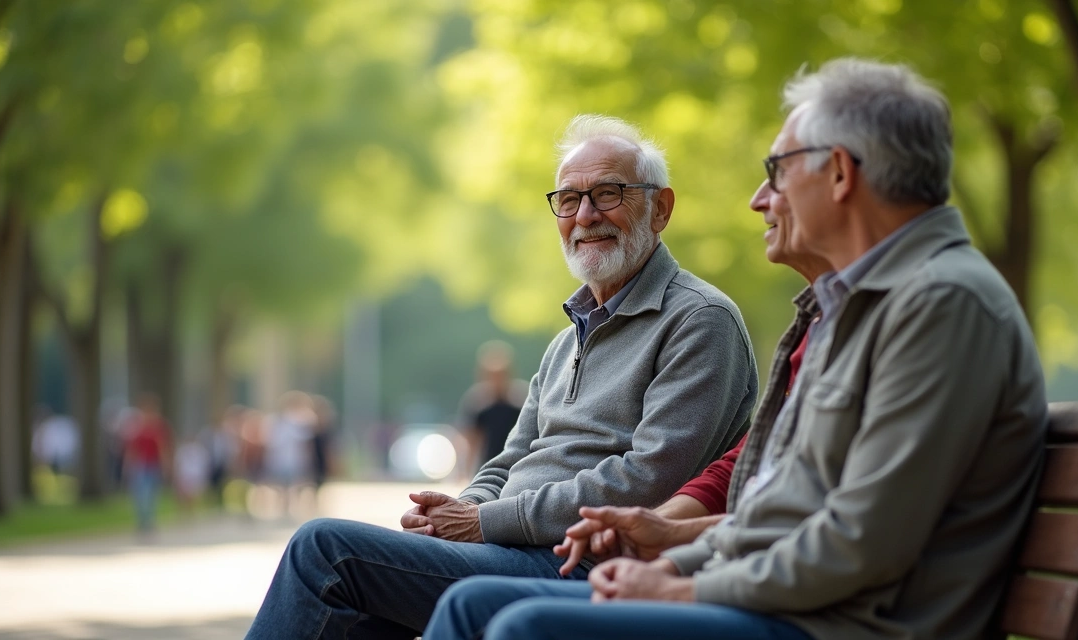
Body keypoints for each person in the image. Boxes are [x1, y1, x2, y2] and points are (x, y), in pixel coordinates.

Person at [424, 57, 1049, 640]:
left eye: (778, 169)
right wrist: (676, 552)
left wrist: (680, 587)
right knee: (470, 606)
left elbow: (859, 542)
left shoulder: (939, 303)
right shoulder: (869, 304)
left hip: (844, 623)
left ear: (838, 172)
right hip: (796, 602)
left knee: (518, 627)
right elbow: (787, 512)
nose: (759, 198)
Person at [245, 114, 759, 639]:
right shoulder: (567, 342)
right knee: (357, 619)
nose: (584, 215)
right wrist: (461, 508)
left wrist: (483, 523)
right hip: (508, 551)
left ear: (661, 208)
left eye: (608, 194)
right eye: (568, 199)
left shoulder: (700, 320)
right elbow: (509, 460)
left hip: (582, 562)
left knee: (325, 550)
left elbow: (649, 479)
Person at [456, 340, 528, 475]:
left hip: (514, 466)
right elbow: (471, 439)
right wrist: (465, 472)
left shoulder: (520, 401)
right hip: (486, 466)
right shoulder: (478, 403)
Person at [122, 394, 172, 536]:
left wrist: (166, 465)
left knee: (151, 495)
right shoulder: (137, 427)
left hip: (153, 465)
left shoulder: (158, 427)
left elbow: (163, 448)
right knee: (140, 494)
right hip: (140, 465)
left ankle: (148, 520)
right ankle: (142, 520)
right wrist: (128, 465)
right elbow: (132, 449)